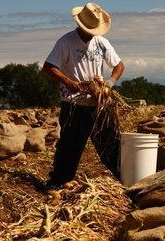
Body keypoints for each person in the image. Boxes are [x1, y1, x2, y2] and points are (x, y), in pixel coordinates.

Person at [42, 2, 125, 190]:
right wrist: (69, 82)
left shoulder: (101, 42)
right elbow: (48, 67)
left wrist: (108, 84)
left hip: (97, 104)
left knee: (110, 143)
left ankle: (125, 179)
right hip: (73, 104)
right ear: (80, 25)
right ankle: (58, 183)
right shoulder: (65, 42)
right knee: (70, 146)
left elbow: (119, 66)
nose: (92, 32)